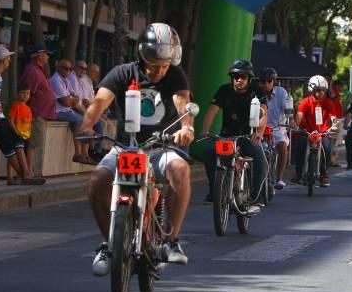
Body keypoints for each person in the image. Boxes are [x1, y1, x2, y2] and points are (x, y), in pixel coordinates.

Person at [83, 23, 194, 274]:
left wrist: (186, 128)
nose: (160, 70)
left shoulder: (175, 75)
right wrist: (87, 124)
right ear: (142, 56)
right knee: (98, 180)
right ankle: (109, 245)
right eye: (155, 63)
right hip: (124, 147)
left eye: (165, 64)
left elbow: (183, 103)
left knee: (180, 169)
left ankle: (170, 241)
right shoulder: (122, 73)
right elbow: (100, 100)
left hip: (160, 147)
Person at [200, 59, 268, 208]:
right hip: (226, 136)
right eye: (235, 76)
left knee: (261, 162)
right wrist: (205, 130)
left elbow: (263, 114)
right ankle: (214, 190)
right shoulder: (224, 90)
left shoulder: (257, 91)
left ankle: (255, 195)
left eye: (243, 77)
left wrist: (259, 132)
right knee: (208, 151)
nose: (239, 80)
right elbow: (212, 111)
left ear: (249, 78)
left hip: (247, 136)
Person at [0, 46, 44, 186]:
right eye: (8, 59)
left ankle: (26, 174)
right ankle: (25, 175)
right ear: (3, 60)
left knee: (18, 140)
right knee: (8, 147)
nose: (10, 61)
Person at [293, 75, 339, 187]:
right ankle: (298, 173)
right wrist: (295, 124)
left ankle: (324, 174)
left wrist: (334, 126)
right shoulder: (305, 102)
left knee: (327, 147)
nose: (321, 92)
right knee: (299, 146)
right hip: (307, 133)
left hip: (322, 134)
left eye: (323, 90)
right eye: (318, 90)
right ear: (312, 90)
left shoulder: (329, 102)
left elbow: (334, 118)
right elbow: (299, 116)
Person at [19, 45, 56, 177]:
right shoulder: (33, 71)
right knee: (33, 144)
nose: (48, 56)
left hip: (40, 114)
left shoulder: (39, 70)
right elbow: (26, 93)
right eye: (46, 54)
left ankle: (33, 172)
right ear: (39, 54)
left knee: (36, 144)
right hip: (34, 114)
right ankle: (29, 173)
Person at [49, 58, 93, 165]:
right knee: (80, 120)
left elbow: (75, 97)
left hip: (67, 111)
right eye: (65, 68)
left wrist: (72, 100)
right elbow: (66, 102)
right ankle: (78, 154)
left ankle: (85, 154)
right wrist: (72, 100)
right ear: (58, 68)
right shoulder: (55, 80)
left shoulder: (66, 80)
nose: (68, 71)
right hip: (58, 111)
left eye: (69, 69)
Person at [258, 67, 289, 190]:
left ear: (273, 81)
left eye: (269, 81)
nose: (266, 84)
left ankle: (279, 178)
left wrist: (291, 119)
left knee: (282, 146)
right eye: (263, 81)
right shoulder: (255, 93)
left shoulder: (282, 92)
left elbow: (287, 109)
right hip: (260, 128)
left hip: (278, 128)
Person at [8, 87, 34, 184]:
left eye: (27, 93)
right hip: (16, 134)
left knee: (21, 154)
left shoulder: (28, 109)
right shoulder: (16, 106)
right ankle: (10, 176)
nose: (25, 95)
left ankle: (19, 176)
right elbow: (10, 120)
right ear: (18, 94)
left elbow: (29, 123)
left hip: (25, 135)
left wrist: (29, 133)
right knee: (13, 155)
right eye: (23, 93)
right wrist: (15, 131)